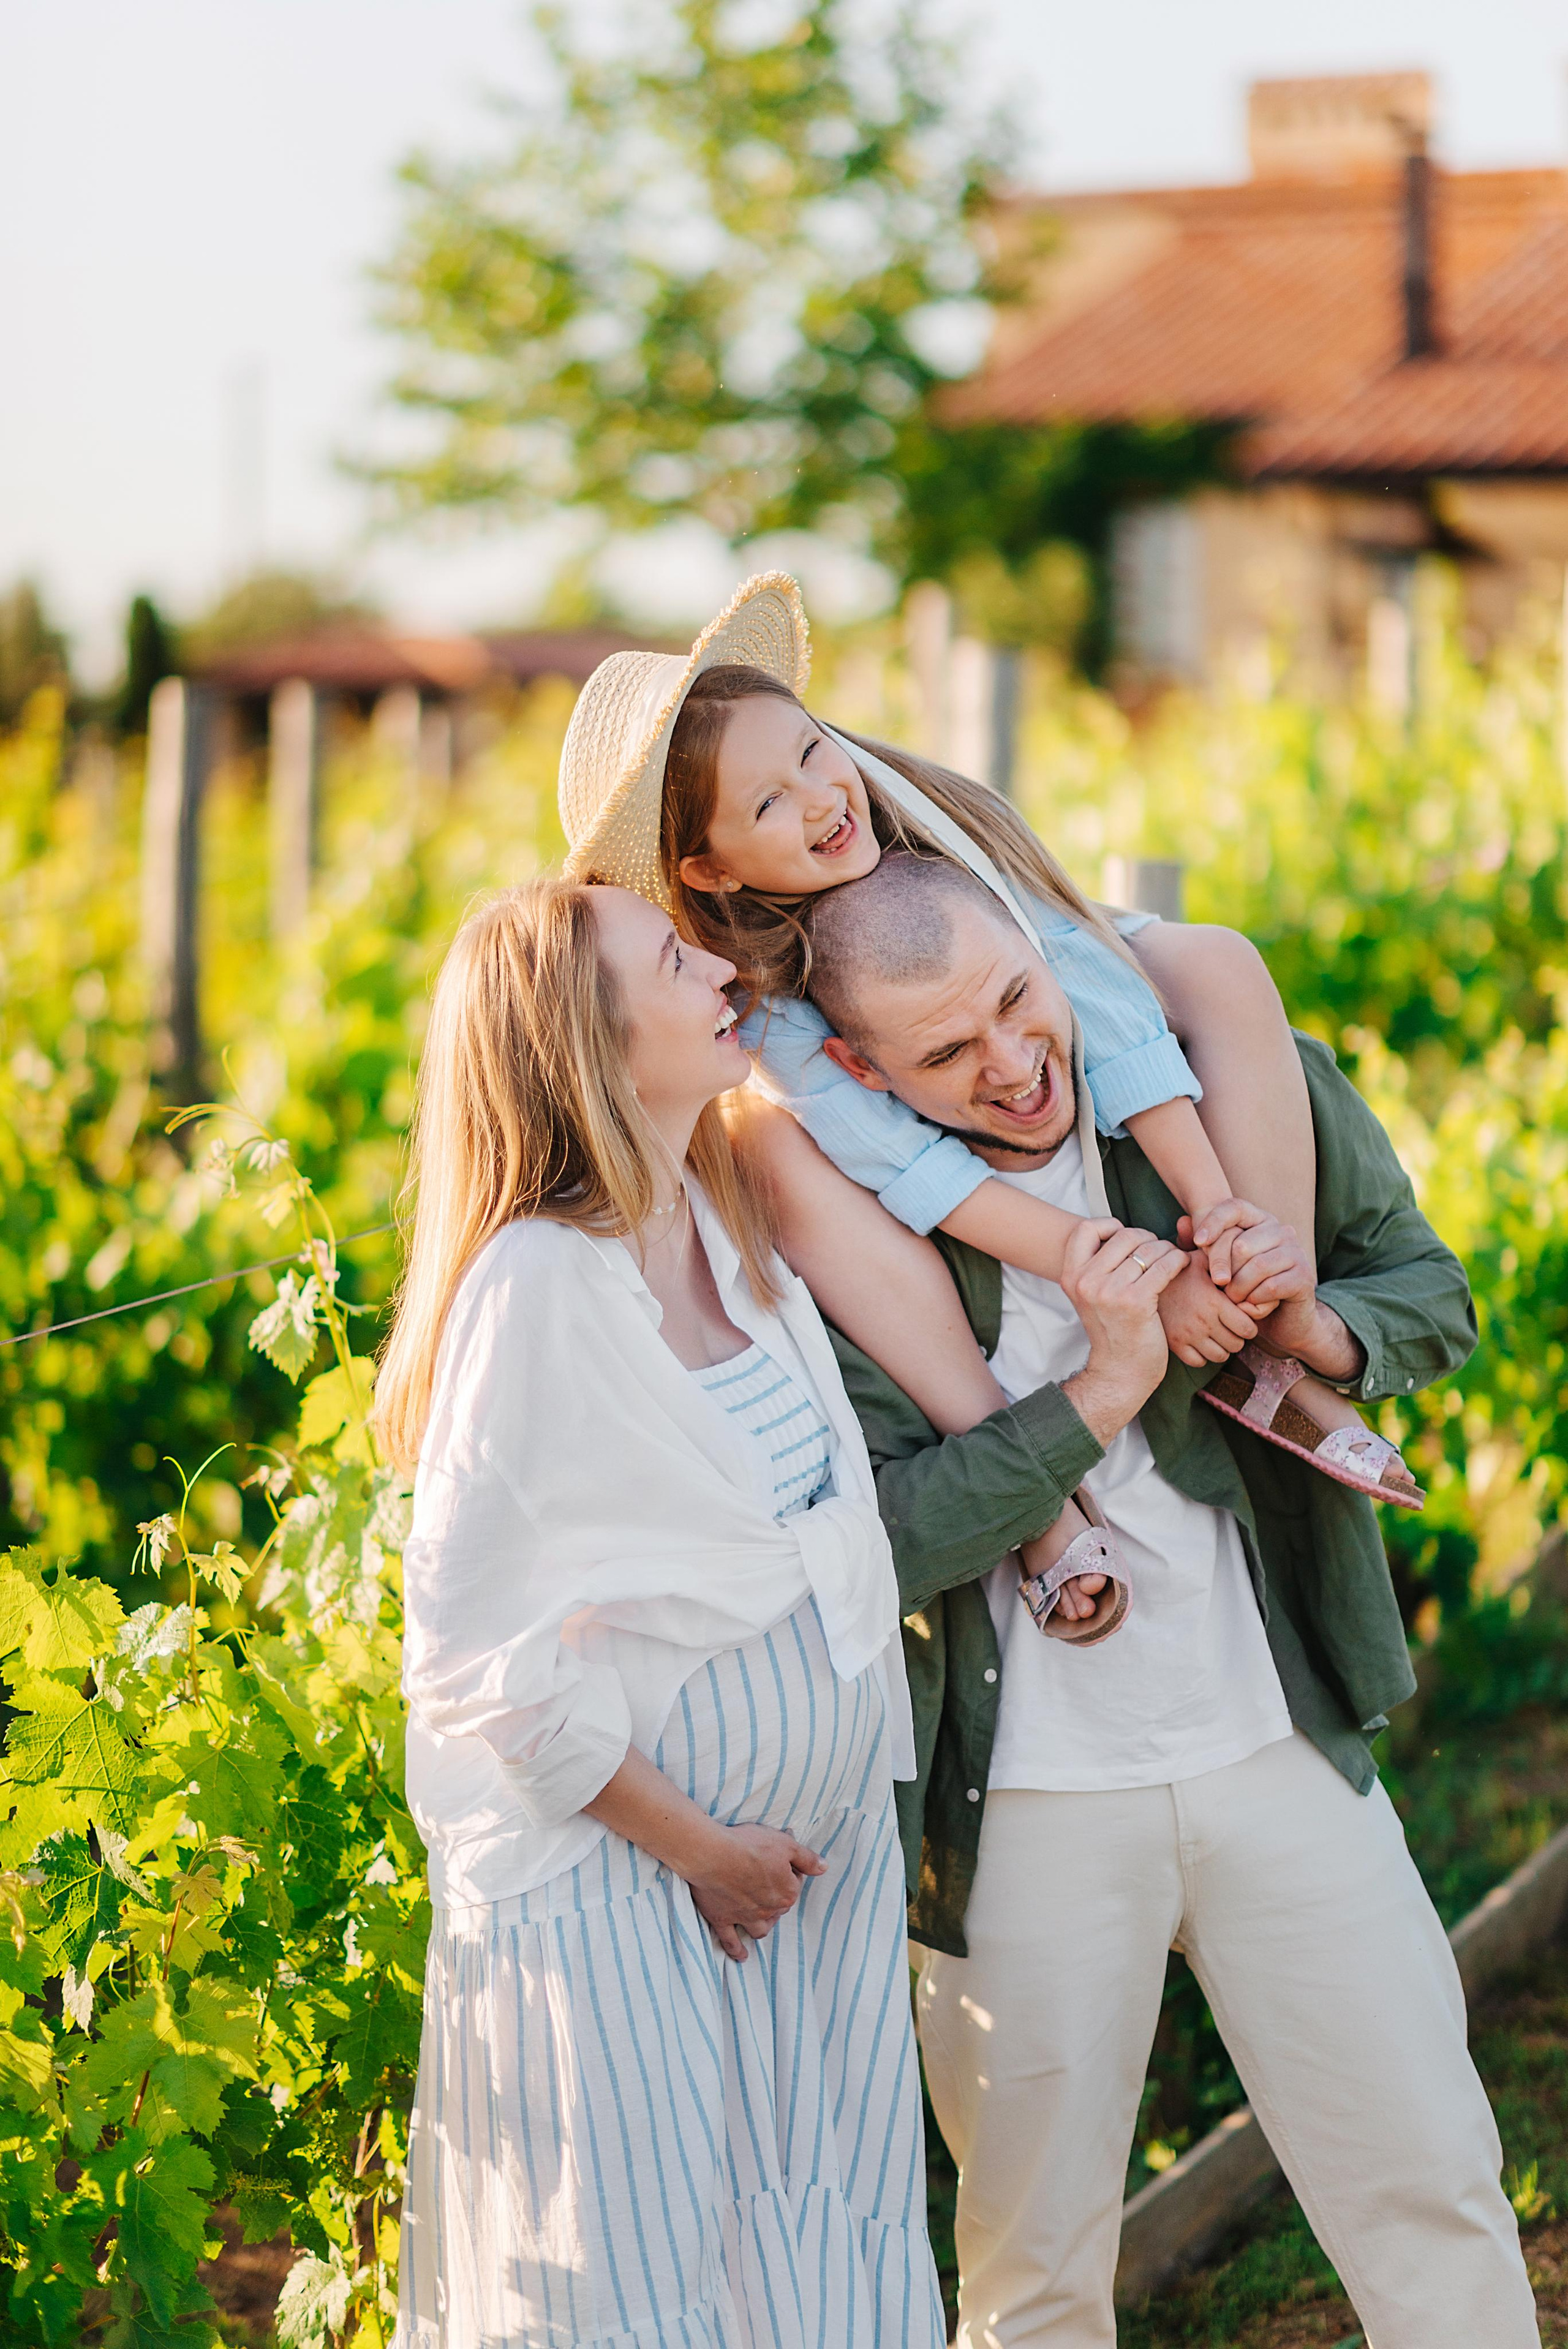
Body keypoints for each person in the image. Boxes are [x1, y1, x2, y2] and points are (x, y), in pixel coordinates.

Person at [794, 846, 1539, 2348]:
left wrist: (1301, 1316)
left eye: (1018, 1001)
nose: (1012, 1064)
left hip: (1277, 1741)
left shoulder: (1229, 1097)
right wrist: (1100, 1390)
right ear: (860, 1073)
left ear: (1044, 952)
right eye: (945, 1054)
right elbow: (877, 1545)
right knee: (1031, 2276)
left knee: (1430, 2192)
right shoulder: (842, 1234)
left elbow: (1427, 1294)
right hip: (1021, 1807)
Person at [555, 571, 1422, 1647]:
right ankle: (1035, 1493)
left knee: (1220, 962)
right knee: (767, 1144)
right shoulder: (759, 998)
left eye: (813, 753)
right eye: (769, 805)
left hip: (1043, 971)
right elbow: (910, 1169)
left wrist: (1209, 1225)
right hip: (891, 1103)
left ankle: (1264, 1318)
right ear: (708, 868)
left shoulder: (925, 816)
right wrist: (1117, 1269)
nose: (820, 800)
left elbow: (1087, 985)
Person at [377, 877, 944, 2349]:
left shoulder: (716, 1214)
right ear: (588, 1036)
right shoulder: (533, 1284)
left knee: (811, 2280)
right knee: (648, 2299)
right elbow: (475, 1662)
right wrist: (702, 1850)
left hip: (795, 1901)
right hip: (632, 1898)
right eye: (671, 962)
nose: (719, 973)